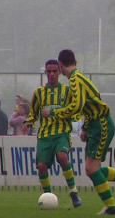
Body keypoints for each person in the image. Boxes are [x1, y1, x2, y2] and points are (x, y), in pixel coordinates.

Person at [42, 50, 115, 214]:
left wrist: (53, 112)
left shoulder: (75, 80)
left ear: (60, 66)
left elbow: (77, 106)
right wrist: (86, 127)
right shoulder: (79, 78)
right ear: (76, 62)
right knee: (93, 168)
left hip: (101, 123)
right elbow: (91, 102)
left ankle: (112, 206)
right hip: (96, 124)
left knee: (91, 168)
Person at [26, 59, 82, 208]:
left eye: (54, 71)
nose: (51, 74)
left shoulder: (67, 91)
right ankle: (48, 196)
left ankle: (73, 192)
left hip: (61, 133)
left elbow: (74, 110)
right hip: (44, 136)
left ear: (59, 72)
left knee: (62, 156)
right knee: (42, 166)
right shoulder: (39, 93)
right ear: (46, 73)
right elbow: (33, 113)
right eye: (49, 71)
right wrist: (28, 122)